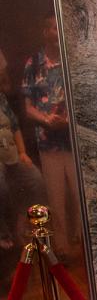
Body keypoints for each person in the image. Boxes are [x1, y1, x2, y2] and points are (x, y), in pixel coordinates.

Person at [22, 14, 81, 252]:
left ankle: (83, 245)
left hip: (73, 141)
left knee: (79, 194)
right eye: (54, 29)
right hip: (48, 142)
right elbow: (28, 108)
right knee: (56, 197)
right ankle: (62, 248)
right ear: (45, 32)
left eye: (60, 29)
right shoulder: (34, 63)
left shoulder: (72, 60)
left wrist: (69, 119)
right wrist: (46, 119)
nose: (58, 34)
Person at [0, 63, 46, 249]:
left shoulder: (1, 98)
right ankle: (3, 232)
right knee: (1, 187)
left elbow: (15, 126)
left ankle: (24, 219)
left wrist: (22, 152)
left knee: (35, 178)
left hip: (12, 155)